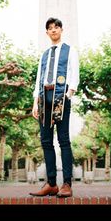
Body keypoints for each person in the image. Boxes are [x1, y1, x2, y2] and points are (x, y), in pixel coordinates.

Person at [30, 17, 79, 197]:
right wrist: (36, 102)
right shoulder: (44, 54)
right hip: (44, 98)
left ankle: (66, 183)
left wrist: (68, 95)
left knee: (64, 140)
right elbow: (39, 78)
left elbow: (74, 74)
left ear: (61, 29)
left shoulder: (70, 50)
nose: (53, 30)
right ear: (47, 32)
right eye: (50, 28)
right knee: (45, 141)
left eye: (56, 27)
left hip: (61, 96)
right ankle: (51, 183)